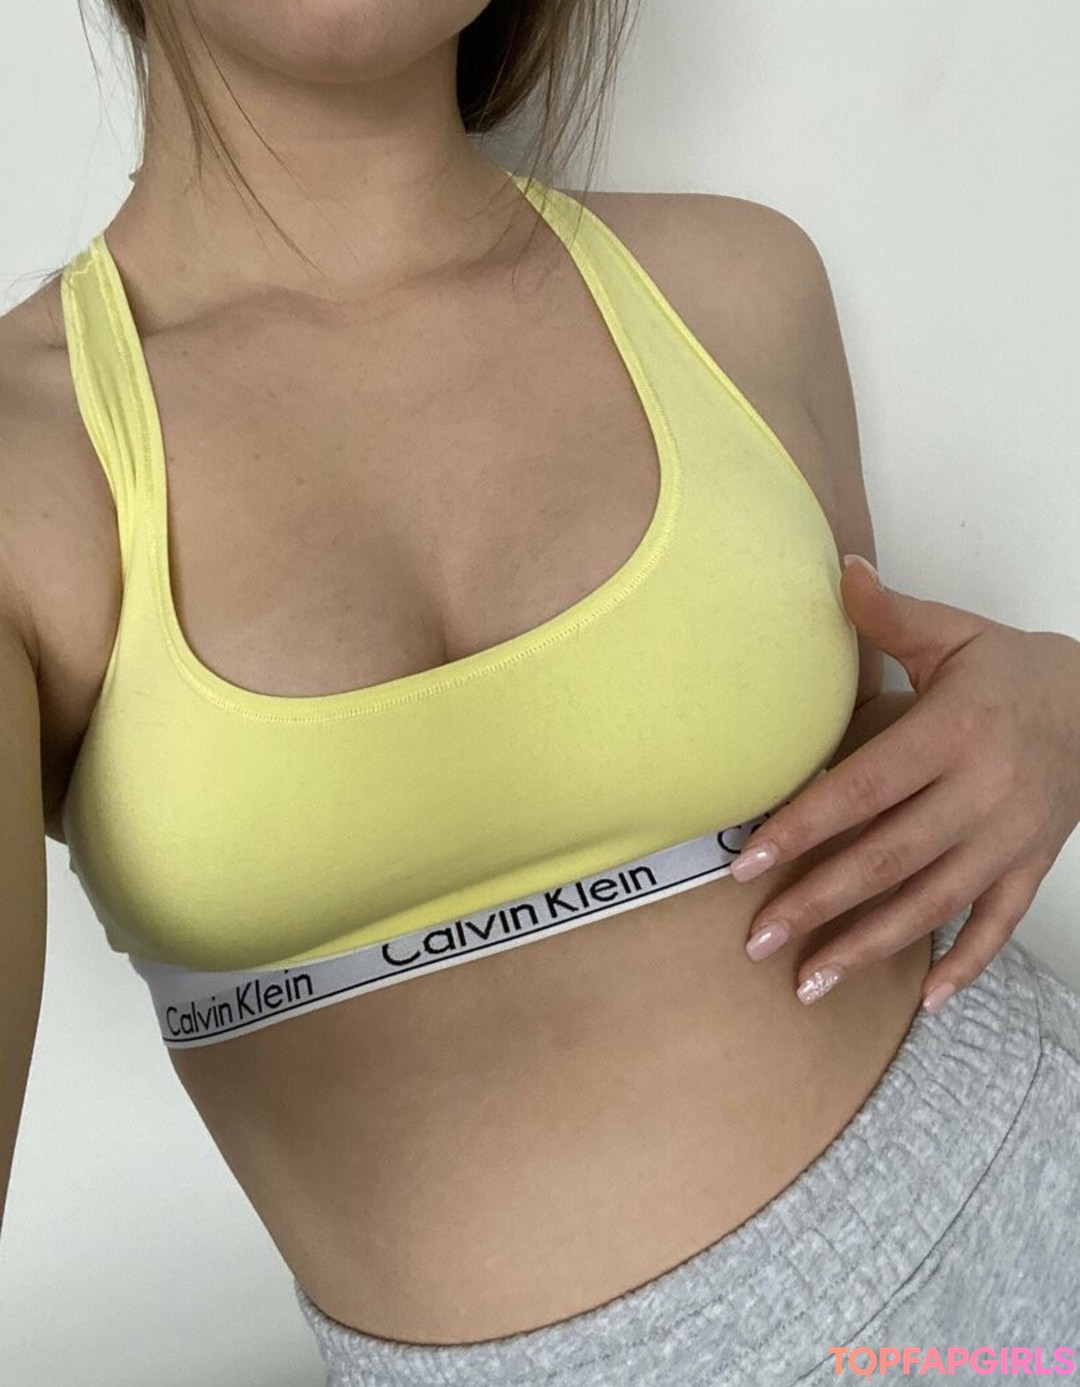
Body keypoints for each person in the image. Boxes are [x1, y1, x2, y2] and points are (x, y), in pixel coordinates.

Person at [2, 3, 1079, 1382]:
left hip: (1029, 1198)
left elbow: (855, 803)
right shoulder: (25, 462)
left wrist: (1056, 711)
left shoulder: (734, 284)